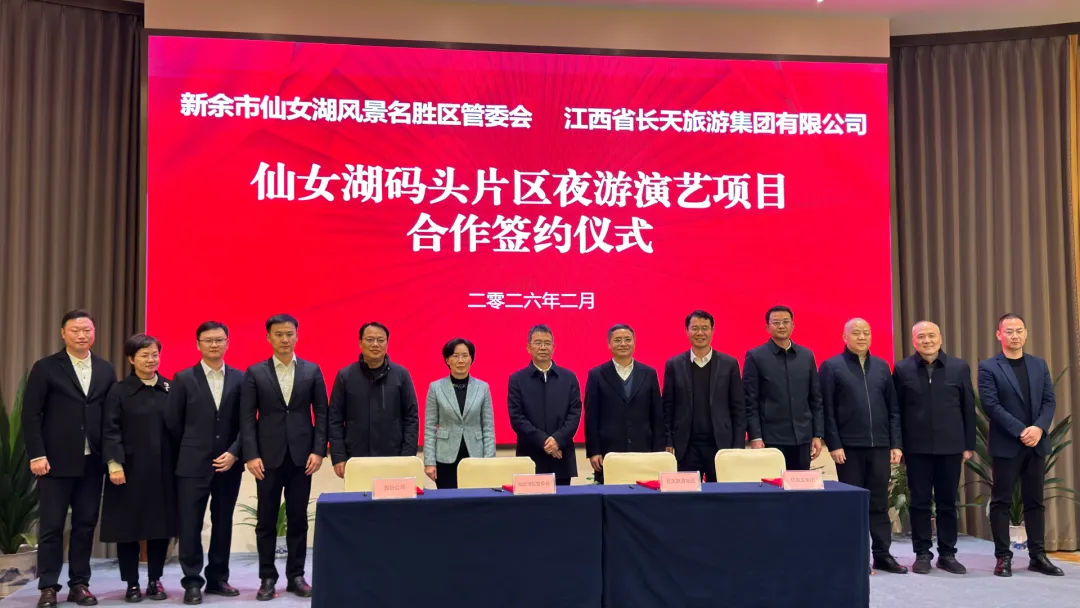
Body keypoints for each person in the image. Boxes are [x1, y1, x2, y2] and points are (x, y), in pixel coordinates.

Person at [22, 310, 116, 608]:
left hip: (93, 462)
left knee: (85, 525)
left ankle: (80, 584)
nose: (81, 335)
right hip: (54, 461)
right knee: (51, 527)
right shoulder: (47, 367)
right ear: (63, 334)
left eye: (87, 330)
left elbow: (110, 416)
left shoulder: (105, 369)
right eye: (75, 330)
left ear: (94, 333)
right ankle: (48, 586)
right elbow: (31, 414)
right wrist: (37, 454)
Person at [240, 314, 329, 600]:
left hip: (302, 458)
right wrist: (251, 454)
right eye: (278, 334)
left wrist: (318, 450)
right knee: (266, 521)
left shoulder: (312, 370)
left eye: (289, 334)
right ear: (268, 338)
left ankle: (296, 576)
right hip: (266, 459)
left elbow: (322, 413)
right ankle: (267, 578)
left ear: (297, 336)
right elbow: (247, 418)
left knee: (298, 519)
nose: (285, 339)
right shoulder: (255, 372)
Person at [977, 313, 1064, 577]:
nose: (1015, 336)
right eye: (1009, 331)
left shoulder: (1039, 364)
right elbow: (991, 405)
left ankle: (1038, 556)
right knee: (1001, 501)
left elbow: (1049, 400)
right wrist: (1021, 431)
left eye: (1019, 331)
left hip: (1036, 443)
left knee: (1035, 501)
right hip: (1007, 444)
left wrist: (1038, 428)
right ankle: (1003, 557)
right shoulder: (989, 367)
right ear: (999, 335)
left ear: (1025, 333)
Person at [165, 321, 245, 604]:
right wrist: (190, 451)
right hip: (191, 465)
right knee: (190, 525)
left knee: (223, 522)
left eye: (219, 339)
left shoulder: (241, 378)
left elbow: (246, 422)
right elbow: (173, 423)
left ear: (228, 343)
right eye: (208, 340)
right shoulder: (183, 378)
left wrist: (234, 452)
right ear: (198, 344)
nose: (214, 344)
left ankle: (218, 578)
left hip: (229, 463)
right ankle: (191, 581)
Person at [819, 318, 906, 574]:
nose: (861, 337)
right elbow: (827, 410)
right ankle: (855, 556)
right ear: (844, 337)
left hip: (879, 446)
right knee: (853, 504)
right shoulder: (831, 366)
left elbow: (893, 409)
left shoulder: (881, 366)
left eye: (866, 332)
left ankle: (882, 555)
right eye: (855, 333)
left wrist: (895, 443)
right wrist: (834, 444)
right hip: (848, 449)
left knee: (879, 503)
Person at [893, 321, 975, 575]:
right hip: (916, 448)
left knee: (947, 502)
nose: (927, 341)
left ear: (940, 338)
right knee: (919, 503)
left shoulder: (959, 367)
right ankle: (922, 553)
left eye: (931, 336)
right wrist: (898, 445)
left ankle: (947, 554)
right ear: (914, 341)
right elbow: (896, 411)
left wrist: (968, 445)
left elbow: (968, 407)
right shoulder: (903, 369)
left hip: (951, 446)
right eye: (921, 337)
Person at [100, 334, 178, 602]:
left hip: (164, 470)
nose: (151, 360)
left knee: (160, 527)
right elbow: (110, 429)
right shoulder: (119, 391)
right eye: (144, 355)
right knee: (128, 528)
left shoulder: (170, 388)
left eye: (155, 354)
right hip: (128, 470)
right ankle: (132, 583)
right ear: (131, 359)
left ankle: (155, 579)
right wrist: (114, 464)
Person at [662, 310, 745, 482]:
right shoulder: (674, 365)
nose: (700, 333)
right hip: (686, 447)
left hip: (720, 446)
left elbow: (738, 408)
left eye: (705, 328)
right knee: (686, 494)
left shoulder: (729, 364)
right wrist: (668, 441)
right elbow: (667, 407)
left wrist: (738, 446)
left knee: (722, 494)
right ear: (687, 331)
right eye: (695, 328)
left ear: (712, 331)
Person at [328, 322, 419, 479]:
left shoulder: (401, 375)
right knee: (358, 494)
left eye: (380, 340)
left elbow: (411, 417)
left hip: (394, 457)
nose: (375, 344)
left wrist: (407, 456)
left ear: (387, 343)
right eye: (369, 339)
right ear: (360, 343)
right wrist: (338, 456)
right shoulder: (345, 376)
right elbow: (334, 419)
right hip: (356, 458)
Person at [743, 306, 824, 470]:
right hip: (771, 439)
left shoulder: (806, 355)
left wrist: (817, 434)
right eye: (776, 322)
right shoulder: (756, 356)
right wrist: (755, 436)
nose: (781, 326)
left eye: (786, 322)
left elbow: (815, 398)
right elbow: (750, 401)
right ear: (767, 327)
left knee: (800, 484)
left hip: (802, 438)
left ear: (793, 325)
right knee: (771, 485)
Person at [584, 324, 663, 484]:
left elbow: (657, 415)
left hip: (644, 450)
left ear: (634, 342)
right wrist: (594, 451)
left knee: (645, 493)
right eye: (617, 340)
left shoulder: (649, 373)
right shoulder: (596, 375)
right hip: (609, 453)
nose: (623, 344)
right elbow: (591, 417)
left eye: (627, 339)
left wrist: (658, 451)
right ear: (609, 344)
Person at [507, 324, 582, 485]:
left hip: (561, 455)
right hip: (530, 456)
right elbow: (517, 417)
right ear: (528, 347)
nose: (543, 347)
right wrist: (544, 441)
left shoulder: (569, 378)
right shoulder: (517, 379)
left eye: (547, 343)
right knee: (530, 501)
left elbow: (574, 413)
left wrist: (557, 440)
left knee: (562, 500)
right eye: (538, 343)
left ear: (553, 347)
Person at [422, 338, 495, 488]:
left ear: (471, 359)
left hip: (475, 456)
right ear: (447, 360)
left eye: (465, 355)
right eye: (455, 356)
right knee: (448, 499)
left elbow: (488, 427)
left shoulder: (483, 387)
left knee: (476, 498)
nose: (460, 360)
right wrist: (429, 461)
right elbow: (430, 427)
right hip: (445, 457)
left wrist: (489, 460)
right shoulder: (436, 387)